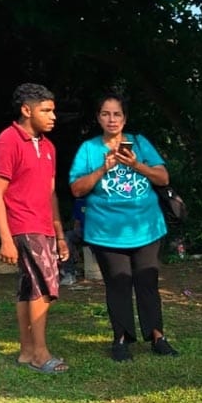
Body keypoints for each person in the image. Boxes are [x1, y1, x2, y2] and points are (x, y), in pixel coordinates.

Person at [69, 92, 178, 362]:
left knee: (147, 282)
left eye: (117, 114)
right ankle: (120, 339)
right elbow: (76, 188)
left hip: (146, 227)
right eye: (105, 114)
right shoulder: (89, 149)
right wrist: (102, 169)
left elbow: (163, 178)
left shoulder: (139, 143)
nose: (111, 119)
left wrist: (136, 164)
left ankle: (157, 336)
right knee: (118, 284)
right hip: (106, 231)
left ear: (125, 118)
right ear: (98, 118)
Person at [0, 83, 69, 374]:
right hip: (23, 226)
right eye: (46, 110)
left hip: (45, 227)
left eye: (53, 110)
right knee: (44, 289)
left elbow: (50, 194)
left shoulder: (48, 147)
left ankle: (26, 351)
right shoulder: (7, 141)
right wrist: (5, 239)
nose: (53, 116)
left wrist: (60, 235)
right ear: (26, 110)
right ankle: (40, 353)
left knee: (28, 289)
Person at [59, 197, 86, 286]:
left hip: (100, 233)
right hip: (83, 232)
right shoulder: (80, 201)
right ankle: (69, 273)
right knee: (67, 237)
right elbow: (77, 222)